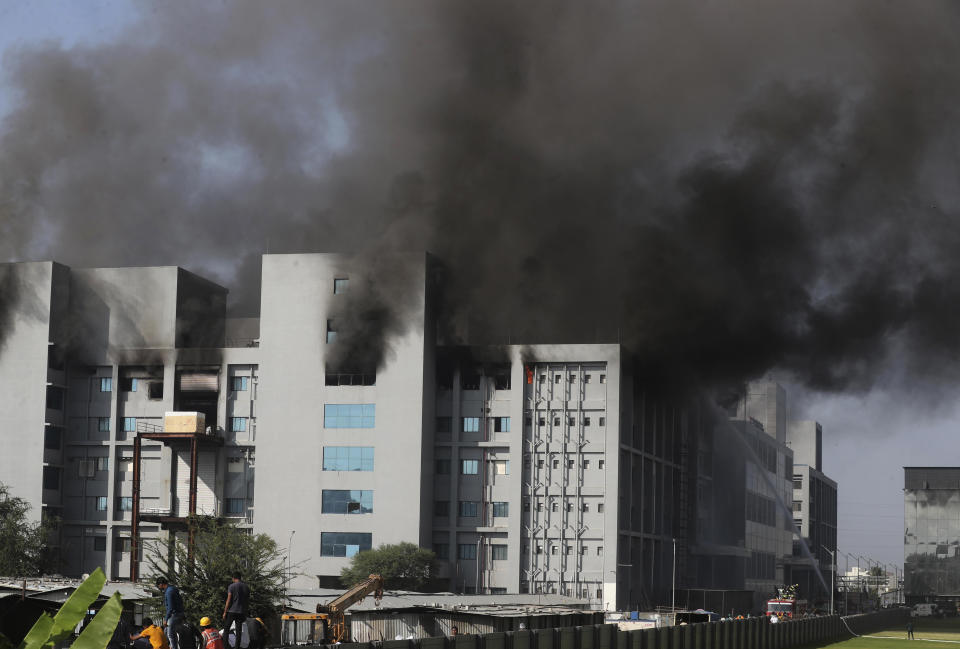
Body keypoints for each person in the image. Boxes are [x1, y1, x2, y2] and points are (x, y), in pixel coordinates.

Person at [222, 572, 251, 649]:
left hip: (232, 611)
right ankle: (237, 647)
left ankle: (226, 647)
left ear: (233, 578)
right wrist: (245, 611)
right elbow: (247, 601)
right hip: (241, 612)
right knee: (238, 631)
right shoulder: (246, 587)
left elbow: (228, 599)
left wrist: (225, 611)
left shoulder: (232, 586)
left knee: (226, 629)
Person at [156, 578, 186, 649]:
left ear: (161, 584)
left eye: (158, 585)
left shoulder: (169, 592)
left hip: (174, 615)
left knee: (171, 634)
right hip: (180, 613)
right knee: (172, 633)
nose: (158, 587)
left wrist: (166, 619)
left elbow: (170, 607)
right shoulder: (173, 588)